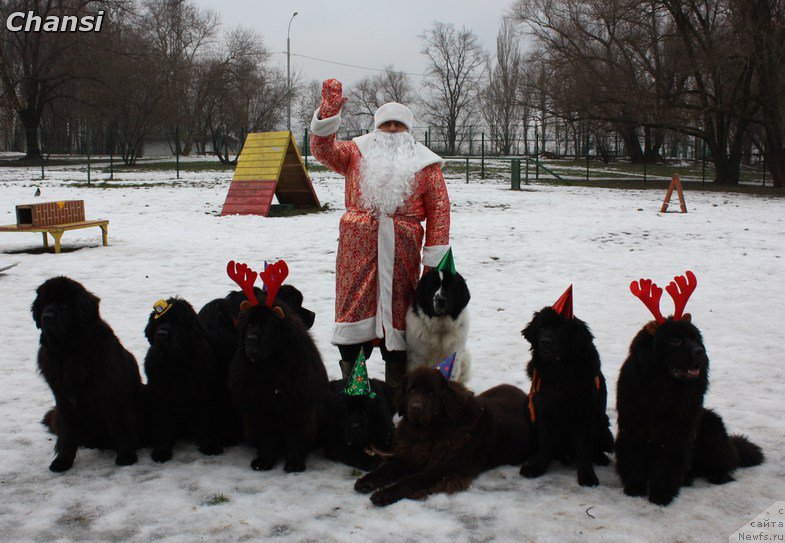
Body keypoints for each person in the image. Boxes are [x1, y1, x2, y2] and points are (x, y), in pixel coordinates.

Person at [309, 78, 450, 388]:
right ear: (377, 128)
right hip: (356, 255)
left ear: (408, 130)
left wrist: (433, 267)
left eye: (399, 125)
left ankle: (396, 395)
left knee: (398, 326)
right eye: (387, 124)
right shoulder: (354, 152)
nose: (392, 130)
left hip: (403, 255)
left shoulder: (426, 165)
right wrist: (328, 112)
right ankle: (355, 392)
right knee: (353, 319)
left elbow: (440, 213)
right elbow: (322, 149)